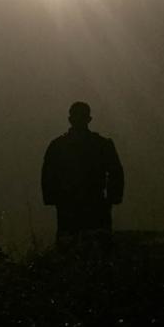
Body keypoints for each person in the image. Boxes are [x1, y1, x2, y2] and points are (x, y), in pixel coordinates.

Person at [41, 101, 124, 241]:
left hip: (70, 206)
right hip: (94, 204)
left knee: (69, 247)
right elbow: (116, 172)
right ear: (89, 119)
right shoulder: (102, 144)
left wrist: (53, 198)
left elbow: (48, 175)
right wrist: (112, 198)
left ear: (70, 119)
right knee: (97, 248)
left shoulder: (58, 145)